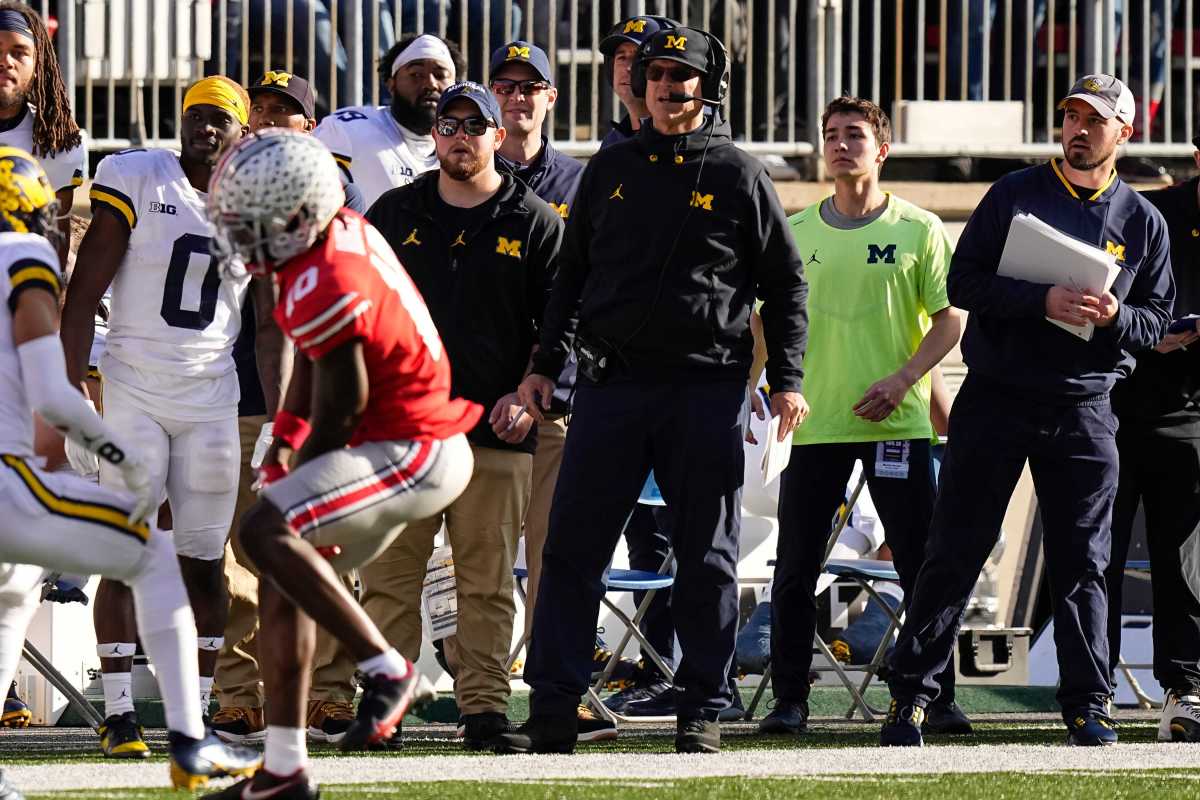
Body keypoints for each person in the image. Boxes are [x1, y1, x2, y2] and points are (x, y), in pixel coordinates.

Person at [495, 27, 809, 755]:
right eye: (655, 73)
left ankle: (702, 705)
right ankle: (552, 710)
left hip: (705, 389)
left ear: (709, 87)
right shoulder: (611, 167)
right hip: (611, 388)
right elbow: (569, 277)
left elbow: (786, 286)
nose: (665, 85)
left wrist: (788, 379)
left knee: (706, 554)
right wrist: (544, 364)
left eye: (680, 74)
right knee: (573, 549)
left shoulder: (739, 173)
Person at [881, 74, 1175, 747]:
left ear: (1125, 133)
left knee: (1084, 561)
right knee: (954, 549)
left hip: (1085, 407)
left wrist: (1114, 315)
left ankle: (1087, 703)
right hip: (998, 398)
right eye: (1070, 115)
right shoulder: (1014, 194)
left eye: (1094, 120)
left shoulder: (1142, 220)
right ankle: (912, 698)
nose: (1077, 129)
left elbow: (1155, 320)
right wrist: (1039, 300)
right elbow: (963, 284)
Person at [200, 129, 480, 799]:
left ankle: (385, 667)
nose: (243, 237)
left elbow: (347, 397)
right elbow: (315, 371)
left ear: (297, 215)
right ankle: (284, 770)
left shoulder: (329, 273)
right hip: (393, 442)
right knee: (278, 571)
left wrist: (297, 468)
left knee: (265, 534)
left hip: (415, 449)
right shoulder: (331, 236)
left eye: (253, 222)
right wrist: (285, 440)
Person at [0, 146, 261, 796]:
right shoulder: (21, 262)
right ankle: (188, 740)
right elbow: (55, 398)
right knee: (144, 555)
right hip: (10, 486)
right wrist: (113, 451)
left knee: (10, 602)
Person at [355, 80, 564, 749]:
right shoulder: (392, 212)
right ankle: (382, 707)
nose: (462, 137)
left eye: (476, 126)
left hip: (494, 432)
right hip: (403, 433)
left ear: (499, 137)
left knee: (487, 582)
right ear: (434, 135)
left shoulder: (534, 221)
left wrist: (530, 390)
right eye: (451, 125)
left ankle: (484, 711)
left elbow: (563, 328)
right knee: (390, 581)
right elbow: (358, 310)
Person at [60, 76, 253, 759]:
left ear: (241, 135)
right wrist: (68, 389)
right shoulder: (138, 177)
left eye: (220, 119)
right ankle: (117, 715)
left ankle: (194, 718)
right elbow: (82, 293)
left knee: (204, 566)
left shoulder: (254, 202)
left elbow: (283, 324)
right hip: (135, 386)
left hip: (210, 398)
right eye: (196, 115)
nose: (206, 128)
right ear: (179, 123)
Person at [762, 96, 966, 738]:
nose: (840, 145)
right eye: (830, 135)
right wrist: (761, 388)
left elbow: (950, 319)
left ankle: (937, 694)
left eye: (854, 135)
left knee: (920, 568)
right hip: (817, 426)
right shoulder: (797, 233)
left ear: (882, 150)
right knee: (795, 567)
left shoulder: (920, 228)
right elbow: (768, 325)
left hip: (897, 425)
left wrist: (906, 380)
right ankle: (790, 698)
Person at [211, 69, 367, 745]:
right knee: (238, 552)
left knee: (329, 548)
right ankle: (241, 695)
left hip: (324, 396)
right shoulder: (223, 185)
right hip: (236, 390)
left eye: (286, 111)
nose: (270, 119)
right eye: (261, 109)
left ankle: (331, 693)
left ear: (311, 126)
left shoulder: (335, 187)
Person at [1105, 134, 1200, 743]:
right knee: (1097, 556)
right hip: (1115, 402)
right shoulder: (1152, 212)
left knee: (1182, 557)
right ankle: (1088, 690)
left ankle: (1185, 687)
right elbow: (1105, 288)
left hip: (1190, 411)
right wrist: (1143, 327)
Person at [314, 33, 463, 209]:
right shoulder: (347, 129)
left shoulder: (467, 144)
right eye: (416, 74)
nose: (430, 84)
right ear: (391, 83)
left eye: (440, 75)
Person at [0, 2, 87, 266]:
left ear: (38, 63)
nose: (6, 62)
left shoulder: (55, 143)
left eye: (19, 52)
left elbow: (56, 240)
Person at [598, 14, 678, 148]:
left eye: (637, 58)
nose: (628, 68)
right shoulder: (612, 145)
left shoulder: (692, 142)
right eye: (622, 57)